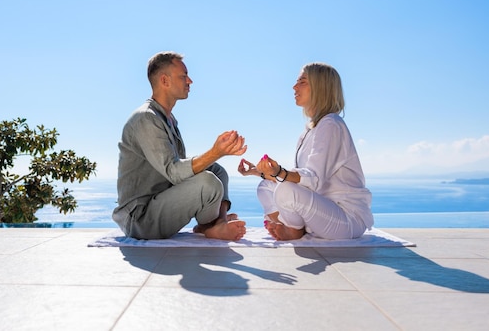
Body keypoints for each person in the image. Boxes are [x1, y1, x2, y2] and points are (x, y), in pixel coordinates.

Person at [113, 51, 247, 241]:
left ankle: (216, 223)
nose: (190, 81)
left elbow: (176, 172)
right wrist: (216, 151)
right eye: (183, 76)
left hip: (160, 202)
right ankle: (211, 226)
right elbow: (174, 172)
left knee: (218, 171)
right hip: (140, 219)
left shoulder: (168, 119)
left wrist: (216, 156)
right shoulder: (146, 118)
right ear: (165, 81)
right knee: (208, 182)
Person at [238, 62, 373, 240]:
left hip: (345, 218)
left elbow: (313, 179)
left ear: (320, 87)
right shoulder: (310, 130)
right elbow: (303, 182)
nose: (294, 87)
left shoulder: (331, 124)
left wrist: (279, 172)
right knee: (266, 187)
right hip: (322, 212)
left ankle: (293, 228)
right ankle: (294, 226)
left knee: (285, 190)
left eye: (302, 82)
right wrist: (257, 172)